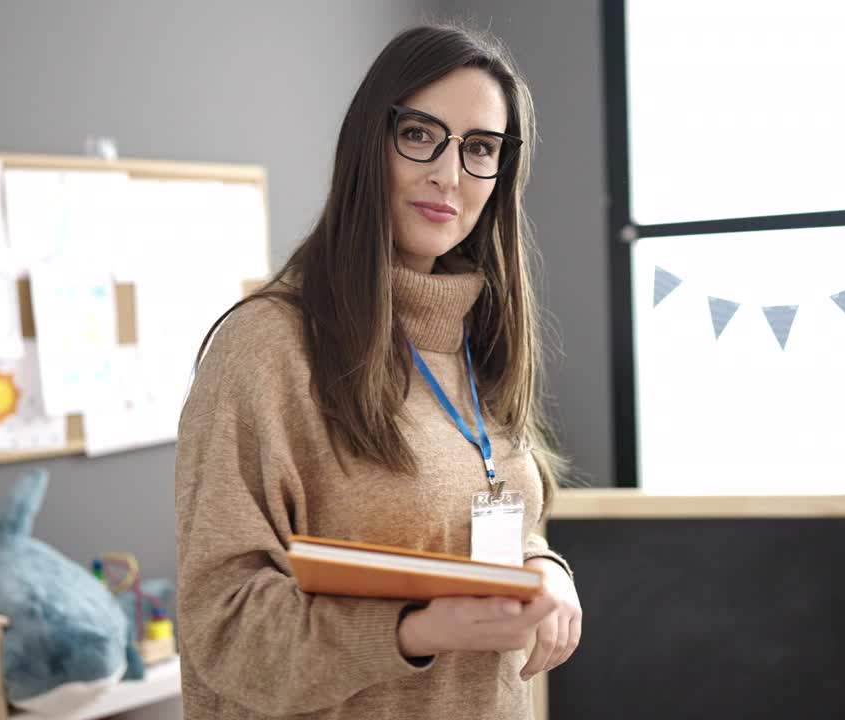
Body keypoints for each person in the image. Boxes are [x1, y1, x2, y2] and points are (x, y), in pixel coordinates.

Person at [174, 23, 581, 720]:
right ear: (370, 142)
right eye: (421, 135)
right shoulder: (266, 351)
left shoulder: (478, 339)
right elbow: (222, 626)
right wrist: (411, 629)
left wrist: (542, 567)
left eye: (481, 149)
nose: (449, 176)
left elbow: (482, 516)